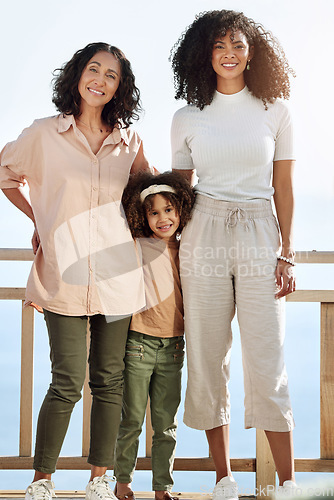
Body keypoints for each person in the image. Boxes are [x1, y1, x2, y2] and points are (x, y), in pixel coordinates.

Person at [0, 42, 150, 500]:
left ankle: (99, 479)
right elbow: (6, 174)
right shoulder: (43, 134)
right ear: (77, 75)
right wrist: (38, 220)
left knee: (109, 381)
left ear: (119, 88)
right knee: (65, 380)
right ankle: (41, 479)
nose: (100, 80)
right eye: (94, 70)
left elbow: (151, 191)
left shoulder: (130, 141)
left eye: (111, 76)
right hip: (63, 275)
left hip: (117, 276)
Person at [170, 10, 297, 500]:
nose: (229, 53)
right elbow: (179, 192)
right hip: (201, 230)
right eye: (219, 44)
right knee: (206, 353)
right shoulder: (186, 116)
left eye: (238, 44)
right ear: (204, 52)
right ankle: (223, 478)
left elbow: (283, 187)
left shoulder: (275, 109)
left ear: (252, 51)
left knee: (269, 355)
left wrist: (286, 253)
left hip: (260, 229)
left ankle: (286, 483)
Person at [113, 171, 194, 500]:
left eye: (169, 210)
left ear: (181, 211)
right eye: (154, 211)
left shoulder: (187, 246)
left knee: (166, 424)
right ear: (141, 216)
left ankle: (163, 489)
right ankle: (123, 482)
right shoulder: (137, 245)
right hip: (139, 345)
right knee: (131, 419)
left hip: (174, 347)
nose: (163, 218)